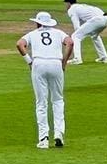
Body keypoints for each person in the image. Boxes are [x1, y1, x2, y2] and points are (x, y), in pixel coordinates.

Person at [17, 11, 72, 148]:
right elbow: (70, 43)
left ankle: (43, 138)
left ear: (38, 23)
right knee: (58, 100)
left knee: (41, 102)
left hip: (39, 64)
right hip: (56, 64)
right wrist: (64, 62)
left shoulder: (32, 34)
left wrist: (29, 61)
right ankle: (59, 133)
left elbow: (19, 44)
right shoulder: (59, 33)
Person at [63, 0, 107, 65]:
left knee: (75, 36)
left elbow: (77, 27)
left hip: (97, 20)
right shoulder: (80, 7)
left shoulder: (72, 9)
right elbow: (85, 24)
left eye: (65, 3)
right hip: (105, 19)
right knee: (94, 36)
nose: (65, 5)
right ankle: (104, 57)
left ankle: (77, 59)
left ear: (68, 3)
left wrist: (77, 34)